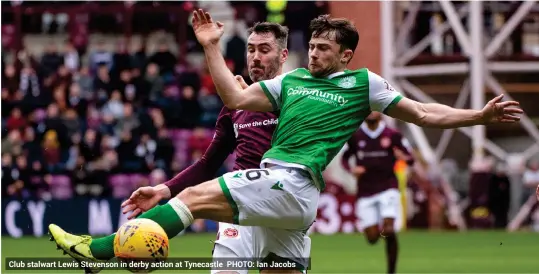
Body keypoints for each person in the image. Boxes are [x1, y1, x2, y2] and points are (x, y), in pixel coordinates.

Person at [49, 9, 523, 274]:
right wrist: (212, 46)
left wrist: (477, 115)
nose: (314, 52)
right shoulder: (291, 83)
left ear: (346, 54)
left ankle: (98, 251)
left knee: (195, 198)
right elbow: (233, 94)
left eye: (324, 48)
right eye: (312, 45)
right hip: (274, 196)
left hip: (288, 184)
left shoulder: (365, 84)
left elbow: (422, 112)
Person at [341, 111, 414, 274]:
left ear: (381, 112)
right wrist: (352, 169)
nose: (372, 112)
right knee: (372, 238)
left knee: (388, 230)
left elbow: (411, 158)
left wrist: (403, 157)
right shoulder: (356, 136)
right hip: (366, 191)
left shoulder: (393, 134)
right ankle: (383, 236)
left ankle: (391, 270)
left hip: (388, 187)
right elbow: (344, 158)